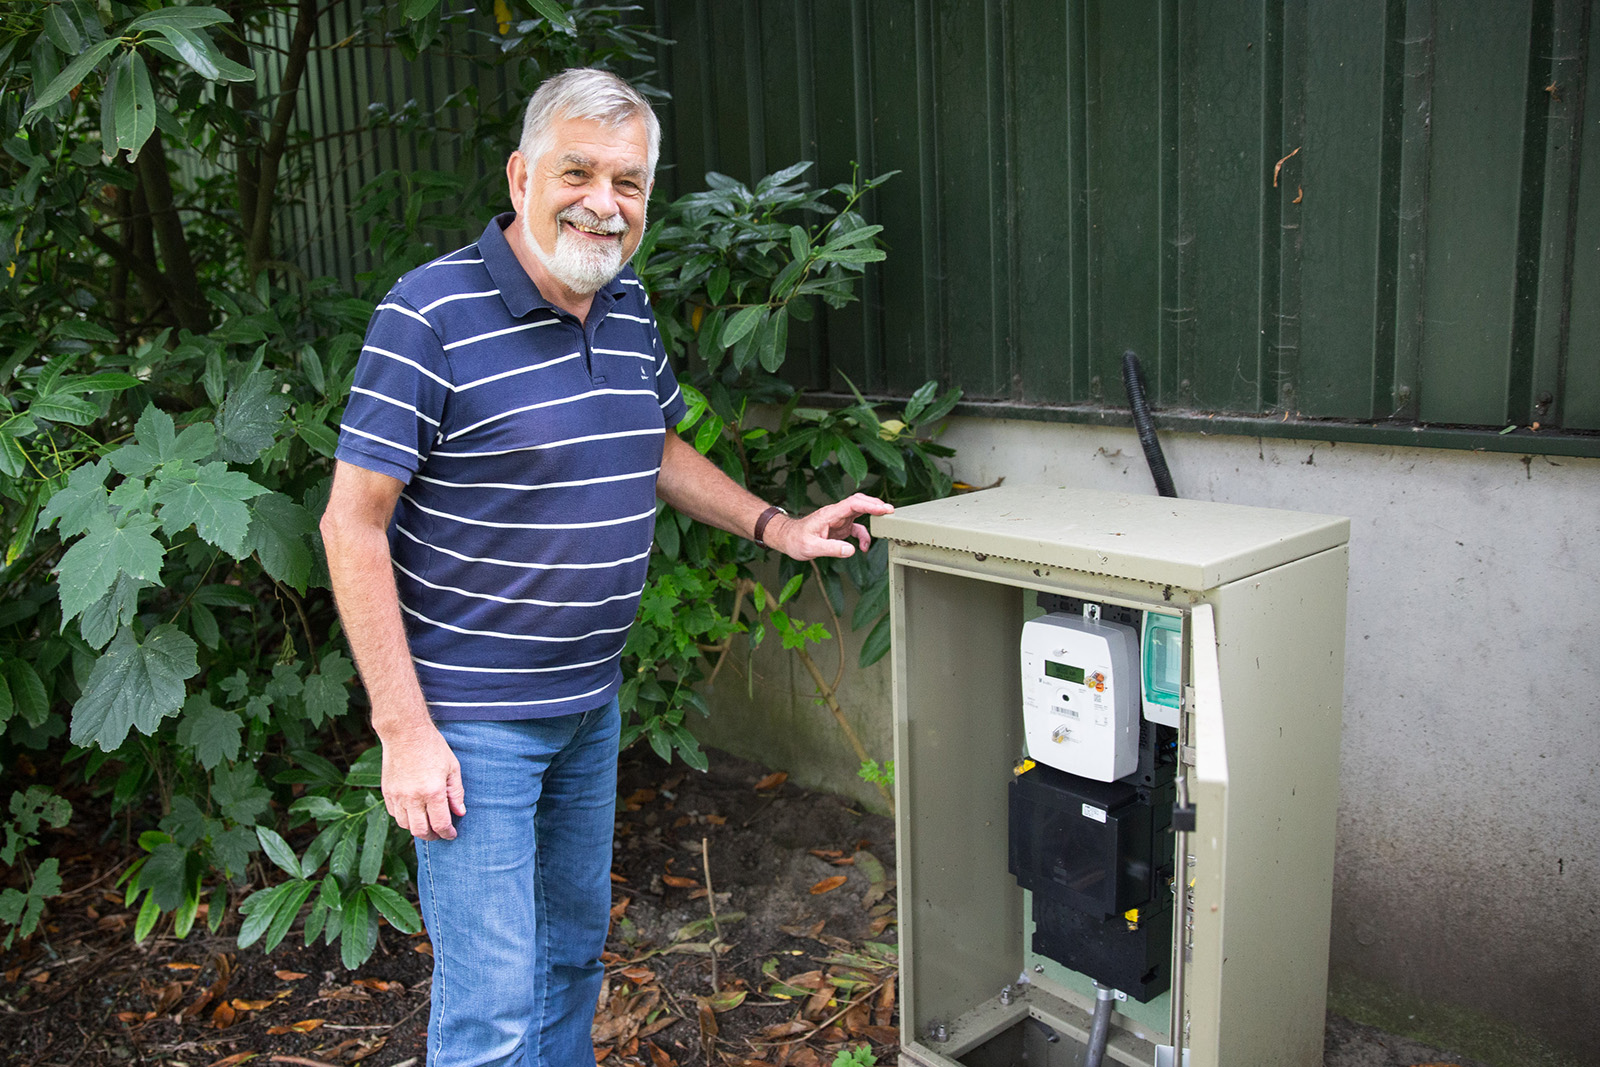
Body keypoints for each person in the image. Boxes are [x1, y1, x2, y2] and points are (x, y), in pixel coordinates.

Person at [319, 68, 892, 1067]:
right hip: (472, 724)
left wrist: (777, 525)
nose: (602, 201)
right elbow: (350, 525)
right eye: (577, 171)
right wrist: (404, 730)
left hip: (590, 705)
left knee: (571, 956)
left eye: (627, 182)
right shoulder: (428, 316)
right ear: (520, 175)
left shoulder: (621, 300)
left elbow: (654, 442)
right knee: (491, 1002)